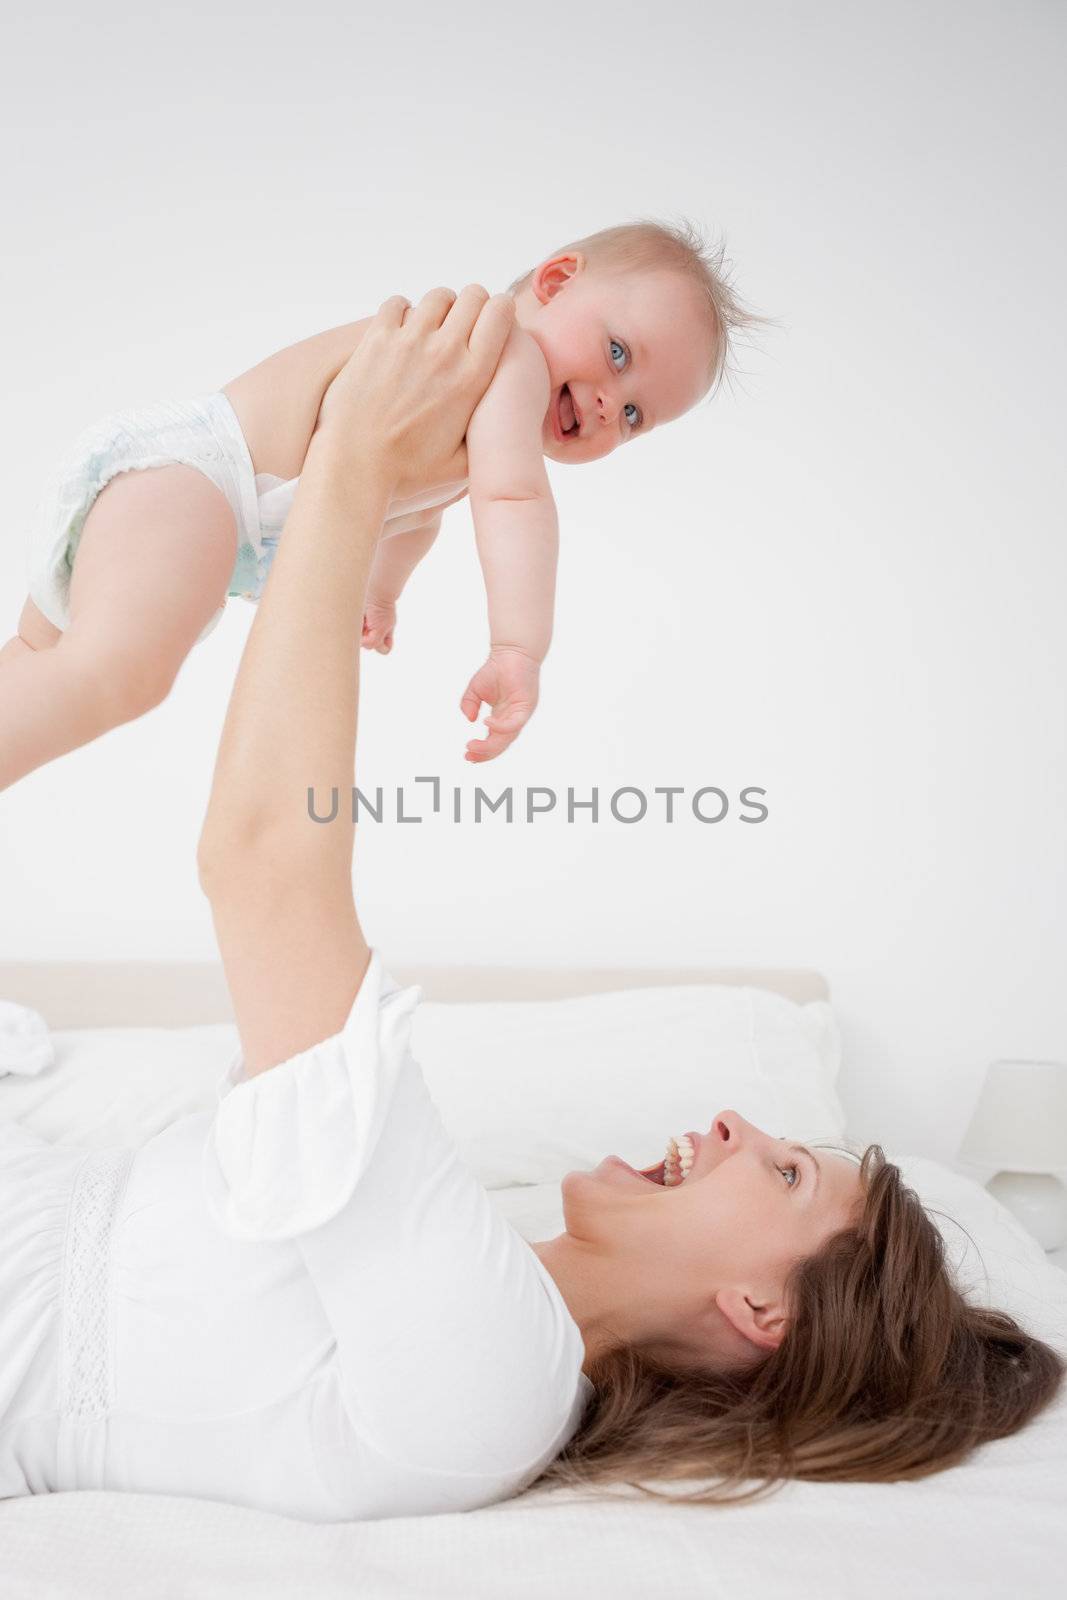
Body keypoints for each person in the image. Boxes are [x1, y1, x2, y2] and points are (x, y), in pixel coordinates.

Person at [0, 288, 1061, 1523]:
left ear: (761, 1313)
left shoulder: (492, 1380)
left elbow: (263, 863)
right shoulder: (485, 1270)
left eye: (778, 1174)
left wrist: (353, 458)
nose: (730, 1122)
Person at [0, 220, 765, 793]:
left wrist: (381, 590)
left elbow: (415, 512)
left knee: (40, 662)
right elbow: (513, 498)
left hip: (178, 487)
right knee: (118, 673)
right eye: (618, 356)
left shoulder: (461, 399)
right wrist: (517, 648)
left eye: (634, 417)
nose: (608, 404)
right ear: (558, 281)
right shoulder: (510, 355)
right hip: (198, 479)